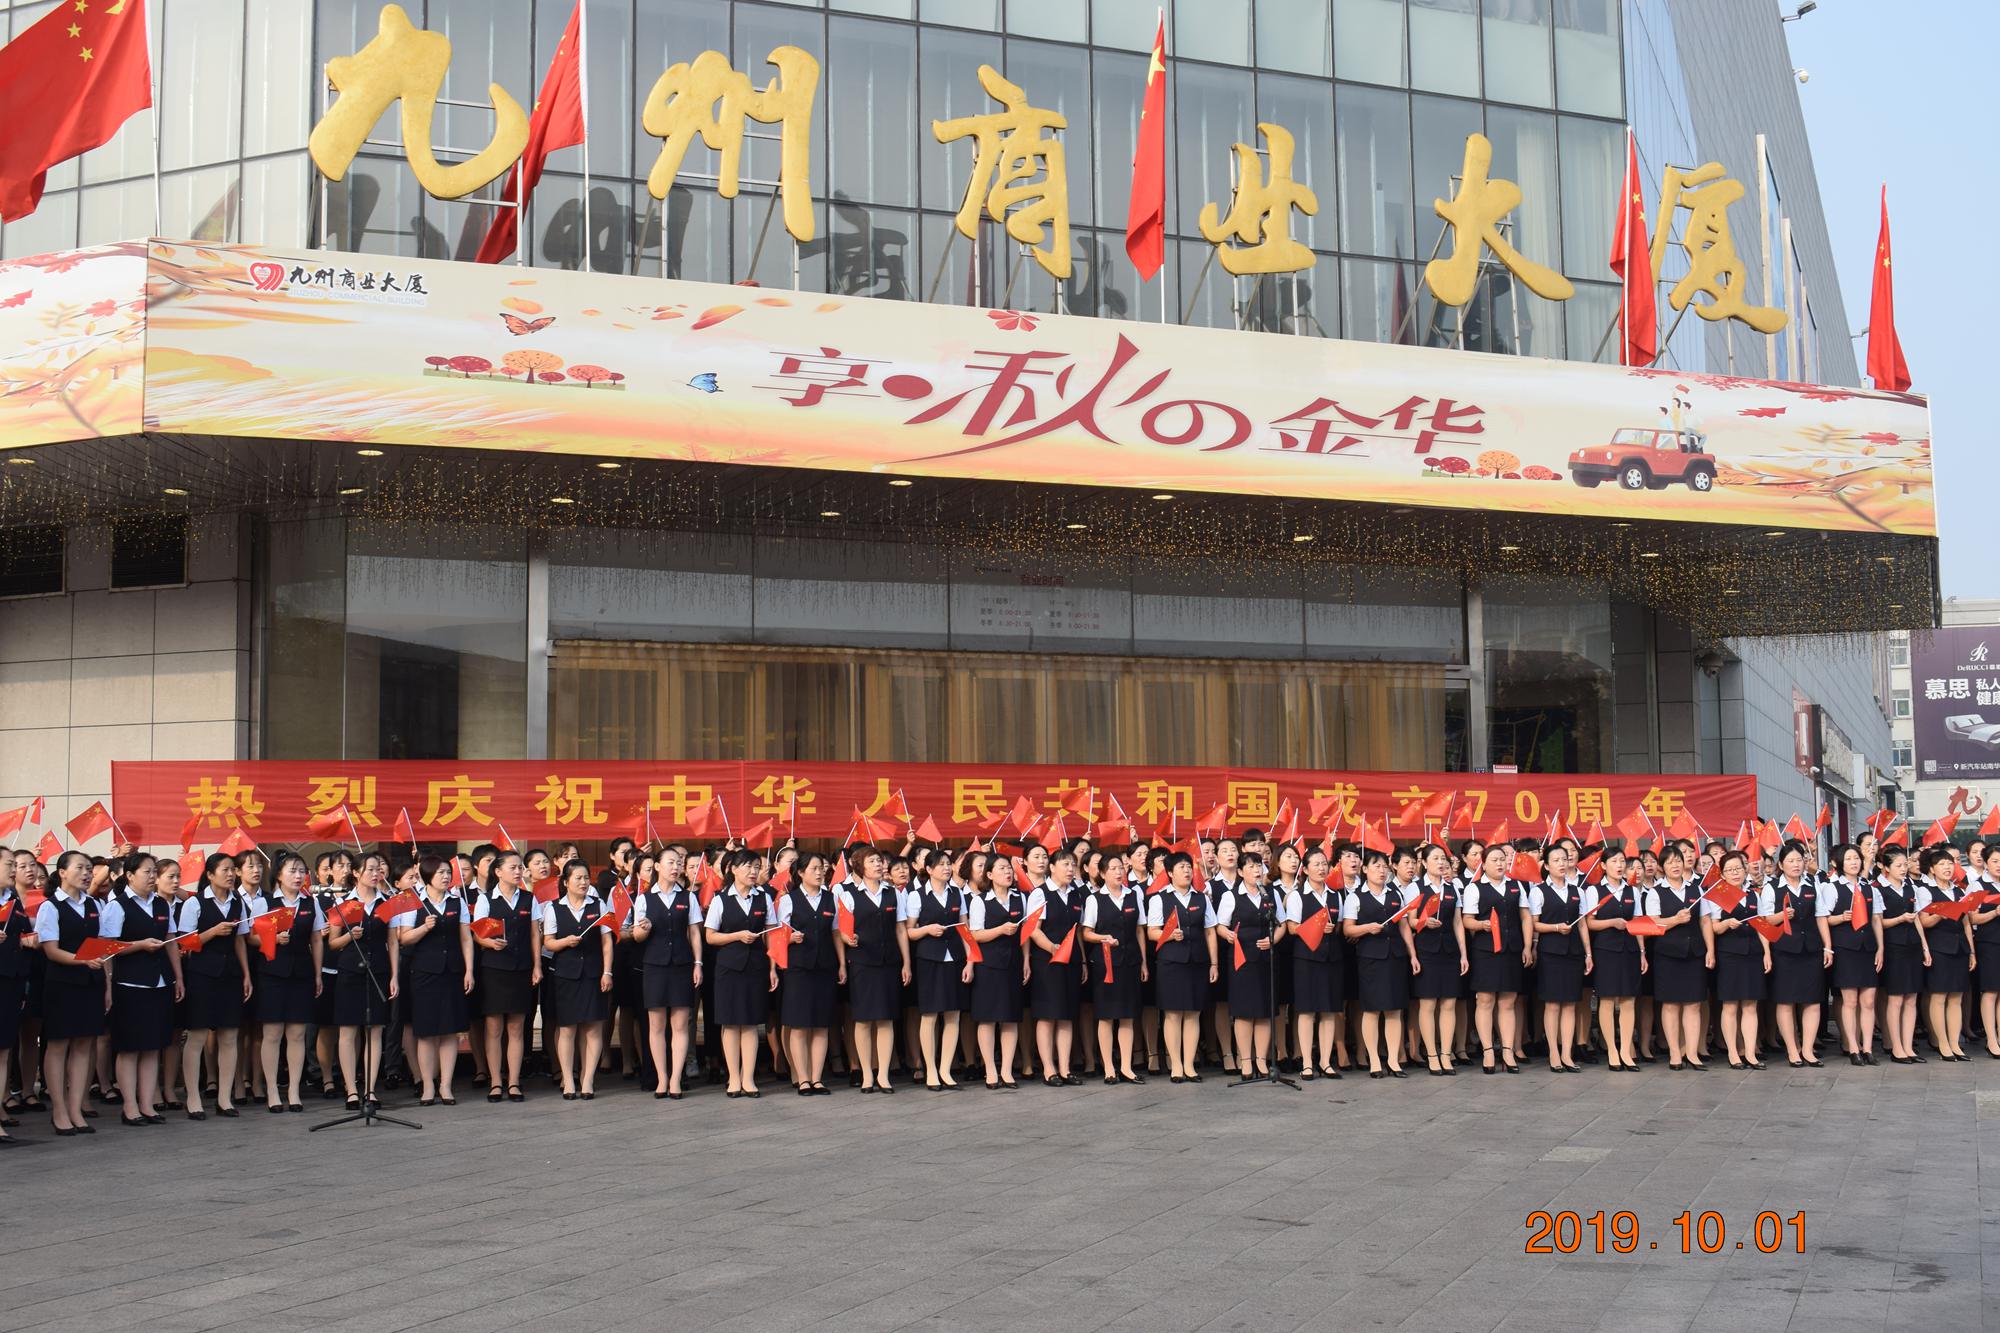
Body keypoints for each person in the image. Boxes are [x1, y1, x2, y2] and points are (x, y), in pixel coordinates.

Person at [37, 851, 110, 1136]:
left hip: (92, 982)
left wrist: (107, 985)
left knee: (84, 1045)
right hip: (62, 984)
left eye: (89, 869)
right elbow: (51, 950)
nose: (87, 874)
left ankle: (76, 1108)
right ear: (62, 872)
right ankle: (59, 1110)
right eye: (80, 868)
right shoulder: (50, 906)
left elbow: (102, 946)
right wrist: (82, 961)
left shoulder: (95, 904)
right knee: (58, 1045)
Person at [395, 856, 474, 1105]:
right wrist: (424, 928)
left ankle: (446, 1085)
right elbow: (404, 938)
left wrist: (469, 970)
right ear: (428, 876)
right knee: (426, 1032)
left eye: (448, 872)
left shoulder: (457, 901)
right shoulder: (413, 901)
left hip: (452, 972)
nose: (446, 877)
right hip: (424, 973)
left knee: (450, 1031)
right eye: (440, 873)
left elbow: (466, 938)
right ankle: (427, 1084)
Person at [252, 853, 324, 1113]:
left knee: (297, 1034)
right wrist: (271, 939)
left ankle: (294, 1090)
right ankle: (272, 1089)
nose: (298, 876)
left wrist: (317, 974)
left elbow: (316, 939)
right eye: (292, 871)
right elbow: (250, 937)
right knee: (272, 1033)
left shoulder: (310, 903)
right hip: (272, 973)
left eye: (302, 871)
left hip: (301, 973)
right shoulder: (265, 903)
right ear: (279, 874)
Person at [328, 853, 400, 1109]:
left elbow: (393, 941)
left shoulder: (387, 902)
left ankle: (370, 1090)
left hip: (378, 970)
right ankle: (351, 1090)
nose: (375, 874)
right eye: (369, 869)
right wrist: (350, 936)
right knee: (348, 1030)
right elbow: (333, 943)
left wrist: (394, 975)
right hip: (350, 971)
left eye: (378, 869)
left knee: (375, 1029)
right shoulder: (343, 903)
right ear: (356, 873)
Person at [703, 850, 776, 1098]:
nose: (753, 872)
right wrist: (737, 936)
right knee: (731, 1023)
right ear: (733, 869)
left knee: (751, 1023)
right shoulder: (720, 899)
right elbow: (710, 936)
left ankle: (748, 1078)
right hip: (728, 969)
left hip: (756, 967)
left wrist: (773, 968)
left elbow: (771, 936)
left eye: (756, 867)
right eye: (748, 867)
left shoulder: (764, 898)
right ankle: (733, 1078)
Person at [834, 850, 906, 1095]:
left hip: (889, 963)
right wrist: (848, 938)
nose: (878, 865)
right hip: (862, 963)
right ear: (859, 867)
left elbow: (900, 929)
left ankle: (883, 1074)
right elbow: (841, 930)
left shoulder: (893, 893)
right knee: (863, 1020)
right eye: (872, 861)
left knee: (886, 1019)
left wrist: (906, 962)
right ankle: (866, 1073)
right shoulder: (849, 895)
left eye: (879, 861)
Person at [470, 850, 538, 1102]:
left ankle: (514, 1081)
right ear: (498, 872)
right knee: (494, 1028)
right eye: (513, 867)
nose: (518, 872)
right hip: (494, 969)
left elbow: (535, 934)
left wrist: (537, 966)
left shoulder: (529, 898)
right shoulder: (486, 899)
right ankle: (496, 1081)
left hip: (521, 968)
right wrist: (489, 943)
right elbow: (477, 934)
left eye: (520, 867)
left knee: (516, 1027)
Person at [634, 846, 702, 1100]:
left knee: (681, 1025)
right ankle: (662, 1077)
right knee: (656, 1026)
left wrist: (698, 963)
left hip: (682, 965)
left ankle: (675, 1078)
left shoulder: (688, 897)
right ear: (657, 866)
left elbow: (694, 932)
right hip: (654, 966)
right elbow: (637, 936)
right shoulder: (644, 898)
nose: (675, 867)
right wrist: (644, 928)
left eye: (678, 863)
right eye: (670, 863)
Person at [542, 860, 613, 1099]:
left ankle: (588, 1079)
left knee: (593, 1028)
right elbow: (548, 942)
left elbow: (606, 942)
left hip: (593, 974)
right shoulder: (554, 908)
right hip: (566, 975)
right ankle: (568, 1080)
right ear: (566, 882)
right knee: (567, 1028)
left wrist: (607, 972)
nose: (583, 882)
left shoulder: (598, 904)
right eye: (578, 878)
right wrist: (565, 942)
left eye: (586, 878)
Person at [1343, 848, 1416, 1079]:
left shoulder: (1395, 894)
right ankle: (1374, 1060)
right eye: (1376, 866)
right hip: (1371, 960)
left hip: (1395, 957)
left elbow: (1404, 925)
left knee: (1394, 1009)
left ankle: (1393, 1060)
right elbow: (1347, 929)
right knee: (1372, 1010)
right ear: (1364, 869)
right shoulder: (1356, 896)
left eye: (1384, 866)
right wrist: (1367, 928)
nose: (1382, 871)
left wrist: (1412, 954)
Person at [1149, 851, 1217, 1084]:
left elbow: (1210, 931)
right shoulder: (1160, 898)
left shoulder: (1201, 898)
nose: (1187, 871)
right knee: (1173, 1013)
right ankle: (1176, 1064)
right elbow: (1152, 931)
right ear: (1169, 873)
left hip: (1197, 962)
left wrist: (1214, 963)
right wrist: (1168, 935)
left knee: (1193, 1013)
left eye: (1188, 866)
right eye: (1181, 867)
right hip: (1171, 963)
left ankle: (1189, 1064)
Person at [775, 849, 839, 1096]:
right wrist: (790, 938)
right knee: (800, 1024)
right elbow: (777, 935)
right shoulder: (789, 900)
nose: (820, 873)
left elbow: (835, 933)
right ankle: (802, 1078)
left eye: (821, 868)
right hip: (798, 969)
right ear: (801, 873)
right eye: (814, 869)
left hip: (825, 967)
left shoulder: (831, 898)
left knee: (821, 1024)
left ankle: (817, 1078)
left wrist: (842, 964)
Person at [1525, 843, 1591, 1074]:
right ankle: (1553, 1052)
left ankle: (1567, 1053)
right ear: (1546, 865)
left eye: (1564, 859)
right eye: (1556, 860)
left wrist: (1588, 953)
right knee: (1553, 1004)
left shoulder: (1578, 891)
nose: (1562, 863)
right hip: (1550, 953)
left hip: (1573, 953)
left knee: (1570, 1004)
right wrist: (1554, 927)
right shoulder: (1539, 891)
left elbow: (1582, 924)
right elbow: (1534, 924)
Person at [906, 850, 968, 1091]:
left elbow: (964, 927)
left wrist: (970, 960)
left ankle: (945, 1070)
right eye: (941, 864)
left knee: (953, 1014)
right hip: (929, 959)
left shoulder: (957, 893)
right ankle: (930, 1069)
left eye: (948, 864)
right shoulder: (917, 895)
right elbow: (909, 931)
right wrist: (927, 930)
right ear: (929, 869)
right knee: (930, 1014)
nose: (946, 868)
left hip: (955, 958)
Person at [1282, 847, 1346, 1080]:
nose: (1321, 868)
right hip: (1306, 959)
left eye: (1324, 864)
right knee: (1307, 1011)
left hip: (1331, 958)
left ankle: (1325, 1062)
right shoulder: (1298, 896)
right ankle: (1307, 1062)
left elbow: (1339, 926)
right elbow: (1292, 928)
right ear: (1306, 870)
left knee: (1328, 1011)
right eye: (1316, 864)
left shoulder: (1335, 895)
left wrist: (1329, 929)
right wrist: (1317, 927)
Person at [1081, 852, 1145, 1084]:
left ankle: (1126, 1067)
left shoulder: (1133, 894)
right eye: (1113, 869)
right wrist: (1103, 938)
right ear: (1102, 873)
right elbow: (1086, 933)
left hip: (1130, 962)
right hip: (1105, 965)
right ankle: (1109, 1067)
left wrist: (1143, 961)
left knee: (1127, 1016)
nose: (1119, 872)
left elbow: (1139, 930)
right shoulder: (1095, 899)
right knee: (1106, 1016)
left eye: (1121, 868)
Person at [1462, 843, 1526, 1075]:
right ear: (1484, 864)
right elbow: (1467, 919)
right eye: (1494, 860)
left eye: (1502, 859)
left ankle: (1508, 1051)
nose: (1500, 863)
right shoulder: (1475, 888)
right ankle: (1488, 1050)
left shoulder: (1516, 886)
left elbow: (1525, 917)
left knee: (1508, 1001)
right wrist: (1481, 925)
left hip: (1511, 949)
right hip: (1486, 951)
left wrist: (1528, 946)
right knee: (1485, 1000)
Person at [1817, 841, 1882, 1066]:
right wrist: (1840, 918)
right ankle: (1853, 1047)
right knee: (1850, 1001)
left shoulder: (1869, 887)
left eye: (1856, 858)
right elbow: (1823, 918)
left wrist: (1880, 948)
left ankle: (1868, 1048)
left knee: (1869, 1001)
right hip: (1846, 949)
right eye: (1849, 859)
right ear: (1838, 863)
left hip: (1868, 949)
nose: (1854, 862)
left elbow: (1876, 919)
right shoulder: (1832, 887)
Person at [1703, 850, 1769, 1070]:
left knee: (1750, 1005)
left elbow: (1761, 924)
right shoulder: (1717, 895)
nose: (1735, 873)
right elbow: (1713, 927)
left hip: (1753, 953)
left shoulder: (1753, 894)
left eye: (1738, 868)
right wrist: (1725, 924)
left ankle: (1750, 1052)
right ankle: (1733, 1052)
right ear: (1722, 874)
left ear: (1745, 869)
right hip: (1729, 954)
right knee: (1730, 1005)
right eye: (1729, 870)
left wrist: (1766, 952)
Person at [1025, 848, 1085, 1087]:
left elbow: (1078, 932)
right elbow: (1033, 930)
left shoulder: (1076, 894)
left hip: (1071, 961)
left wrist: (1081, 960)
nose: (1070, 869)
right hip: (1047, 963)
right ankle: (1048, 1069)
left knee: (1067, 1015)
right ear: (1052, 867)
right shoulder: (1040, 894)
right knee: (1048, 1015)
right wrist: (1052, 947)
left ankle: (1065, 1068)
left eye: (1072, 865)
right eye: (1065, 864)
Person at [1215, 853, 1278, 1080]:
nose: (1256, 870)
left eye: (1258, 866)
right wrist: (1227, 934)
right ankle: (1245, 1060)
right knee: (1244, 1012)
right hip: (1241, 959)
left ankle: (1261, 1059)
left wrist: (1273, 939)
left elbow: (1281, 924)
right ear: (1241, 872)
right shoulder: (1231, 896)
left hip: (1265, 958)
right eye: (1250, 867)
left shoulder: (1269, 894)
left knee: (1263, 1011)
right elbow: (1219, 925)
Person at [1763, 841, 1825, 1068]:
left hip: (1811, 949)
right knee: (1786, 1001)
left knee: (1812, 1000)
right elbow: (1765, 921)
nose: (1796, 864)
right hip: (1785, 951)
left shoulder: (1812, 884)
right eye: (1790, 861)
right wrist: (1782, 916)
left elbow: (1821, 917)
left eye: (1799, 860)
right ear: (1781, 864)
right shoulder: (1772, 887)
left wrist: (1827, 946)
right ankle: (1792, 1049)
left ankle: (1807, 1049)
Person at [1582, 848, 1644, 1071]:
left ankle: (1626, 1050)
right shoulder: (1594, 890)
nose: (1619, 866)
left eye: (1622, 861)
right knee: (1607, 1000)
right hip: (1606, 950)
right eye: (1614, 861)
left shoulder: (1632, 891)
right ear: (1603, 865)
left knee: (1628, 1000)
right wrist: (1611, 923)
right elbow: (1590, 922)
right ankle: (1612, 1050)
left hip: (1629, 949)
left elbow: (1638, 923)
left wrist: (1642, 952)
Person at [1645, 845, 1706, 1071]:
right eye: (1670, 862)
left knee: (1693, 1004)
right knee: (1670, 1004)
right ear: (1662, 867)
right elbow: (1653, 923)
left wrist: (1709, 950)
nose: (1675, 865)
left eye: (1678, 860)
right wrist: (1675, 920)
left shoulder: (1696, 889)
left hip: (1694, 953)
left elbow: (1705, 921)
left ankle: (1692, 1053)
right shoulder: (1656, 892)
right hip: (1668, 955)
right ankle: (1674, 1053)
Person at [967, 855, 1026, 1090]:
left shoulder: (1020, 898)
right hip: (988, 965)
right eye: (1001, 868)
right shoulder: (980, 901)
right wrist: (1001, 930)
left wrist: (1026, 960)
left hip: (1013, 963)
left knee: (1010, 1017)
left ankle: (1007, 1071)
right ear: (990, 875)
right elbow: (975, 935)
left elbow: (1026, 933)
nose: (1007, 872)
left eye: (1009, 868)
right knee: (988, 1018)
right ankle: (990, 1070)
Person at [1915, 845, 1974, 1062]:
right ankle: (1942, 1043)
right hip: (1939, 948)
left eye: (1950, 863)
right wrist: (1942, 912)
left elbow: (1966, 923)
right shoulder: (1925, 890)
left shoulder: (1959, 891)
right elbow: (1924, 922)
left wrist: (1972, 952)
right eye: (1942, 864)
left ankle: (1955, 1043)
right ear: (1932, 868)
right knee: (1939, 996)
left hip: (1960, 948)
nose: (1947, 867)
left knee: (1956, 997)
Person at [1875, 846, 1926, 1064]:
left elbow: (1917, 919)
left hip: (1913, 945)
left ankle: (1908, 1046)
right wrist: (1899, 919)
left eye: (1905, 864)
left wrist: (1925, 946)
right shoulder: (1878, 889)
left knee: (1911, 998)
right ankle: (1896, 1047)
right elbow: (1878, 922)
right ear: (1886, 867)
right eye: (1898, 865)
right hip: (1893, 947)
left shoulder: (1910, 887)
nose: (1904, 869)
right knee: (1895, 998)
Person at [1971, 843, 2000, 1059]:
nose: (1999, 865)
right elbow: (1972, 917)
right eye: (1995, 861)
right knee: (1990, 991)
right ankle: (1991, 1039)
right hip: (1989, 943)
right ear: (1986, 863)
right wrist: (1995, 913)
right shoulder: (1977, 886)